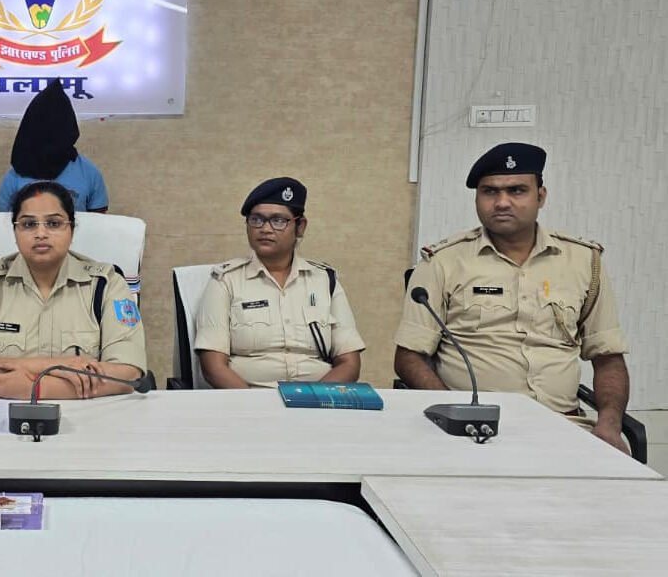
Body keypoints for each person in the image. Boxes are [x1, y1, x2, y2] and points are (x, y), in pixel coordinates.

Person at [393, 143, 630, 453]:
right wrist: (456, 413)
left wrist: (610, 425)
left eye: (517, 190)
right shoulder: (443, 262)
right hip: (474, 429)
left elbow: (608, 356)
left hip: (565, 425)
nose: (502, 202)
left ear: (540, 196)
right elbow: (409, 357)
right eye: (489, 192)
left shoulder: (584, 261)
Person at [0, 181, 146, 399]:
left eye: (54, 223)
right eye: (28, 224)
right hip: (2, 412)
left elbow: (127, 373)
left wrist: (37, 389)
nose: (41, 233)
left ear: (72, 230)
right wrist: (54, 366)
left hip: (86, 414)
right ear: (15, 231)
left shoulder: (107, 285)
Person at [194, 178, 364, 388]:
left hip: (317, 398)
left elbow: (349, 363)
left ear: (300, 226)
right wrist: (253, 405)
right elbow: (213, 366)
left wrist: (313, 398)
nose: (265, 229)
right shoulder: (226, 280)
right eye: (256, 219)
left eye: (278, 220)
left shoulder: (324, 280)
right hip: (249, 398)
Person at [0, 81, 108, 213]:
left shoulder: (88, 172)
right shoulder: (15, 175)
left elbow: (98, 220)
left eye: (56, 126)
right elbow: (3, 221)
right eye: (42, 126)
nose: (49, 133)